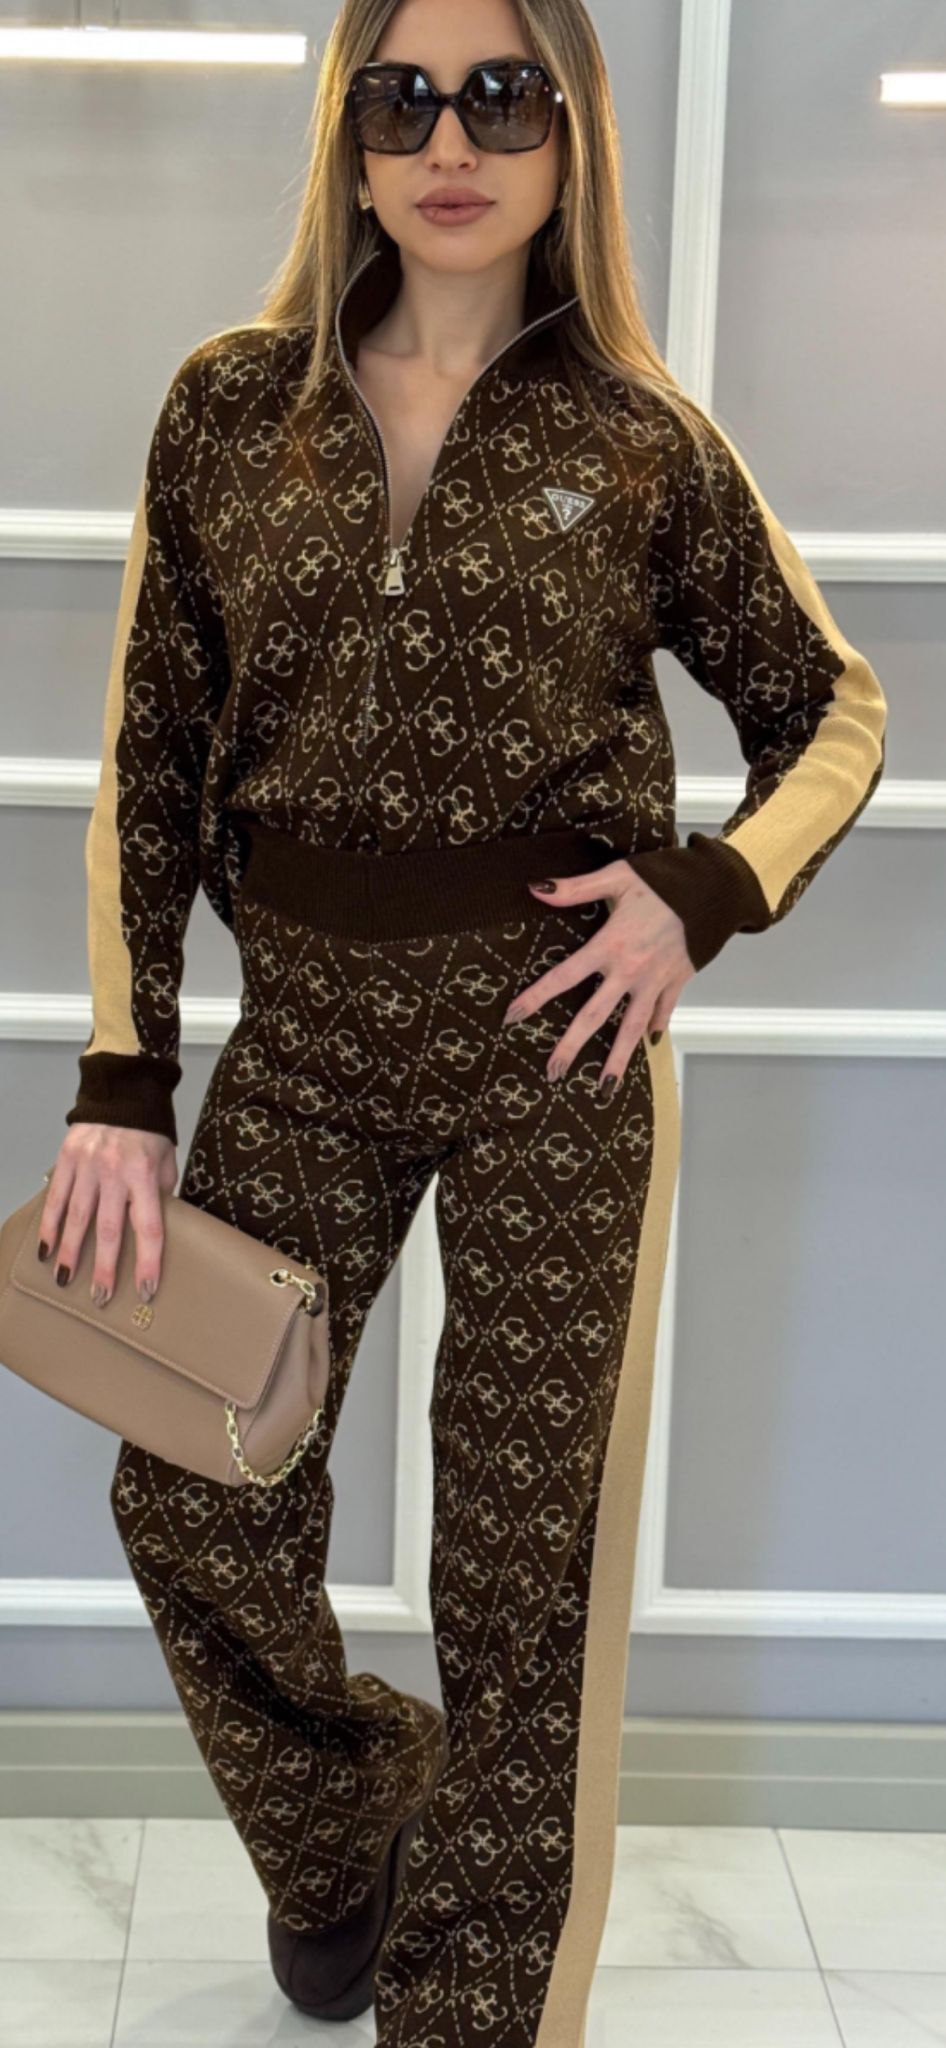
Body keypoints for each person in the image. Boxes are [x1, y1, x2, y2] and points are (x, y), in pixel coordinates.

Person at [36, 0, 887, 2042]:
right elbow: (149, 758)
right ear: (345, 139)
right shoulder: (225, 411)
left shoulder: (640, 441)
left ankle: (474, 2015)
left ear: (570, 136)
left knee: (522, 1580)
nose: (450, 141)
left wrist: (697, 897)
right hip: (303, 1038)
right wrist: (125, 1077)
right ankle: (347, 1830)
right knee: (190, 1495)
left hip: (550, 1056)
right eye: (400, 97)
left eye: (502, 97)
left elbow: (832, 711)